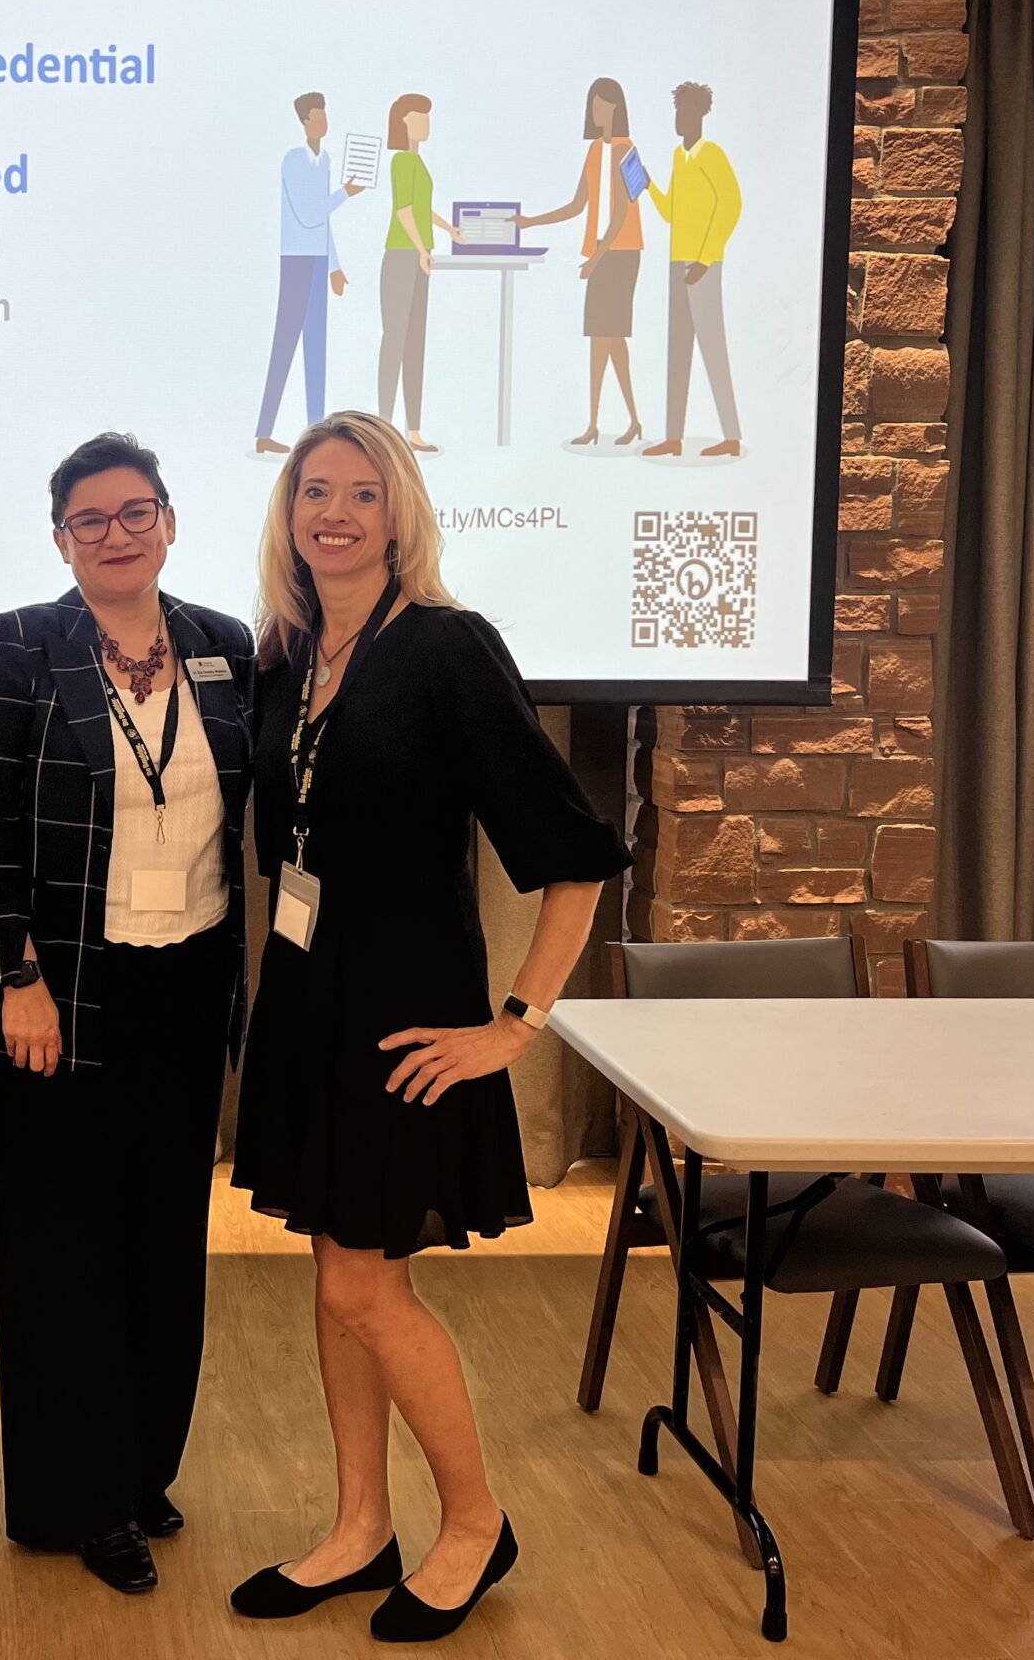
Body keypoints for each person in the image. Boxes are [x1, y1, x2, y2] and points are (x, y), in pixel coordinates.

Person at [228, 410, 631, 1642]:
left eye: (359, 491)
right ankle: (361, 1527)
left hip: (409, 1026)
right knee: (339, 1271)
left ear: (398, 512)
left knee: (366, 1286)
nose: (333, 512)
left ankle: (473, 1523)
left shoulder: (449, 649)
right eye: (312, 492)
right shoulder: (285, 659)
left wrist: (515, 1023)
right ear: (288, 516)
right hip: (307, 1006)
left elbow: (573, 856)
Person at [0, 432, 255, 1595]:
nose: (117, 535)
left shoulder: (227, 649)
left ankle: (138, 1470)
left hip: (184, 985)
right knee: (62, 1247)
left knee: (161, 1238)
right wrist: (14, 977)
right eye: (92, 520)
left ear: (170, 522)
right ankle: (72, 1500)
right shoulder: (24, 645)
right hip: (58, 992)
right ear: (61, 541)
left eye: (137, 512)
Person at [515, 77, 646, 445]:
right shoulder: (594, 152)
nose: (596, 110)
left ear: (616, 107)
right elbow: (578, 205)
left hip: (621, 254)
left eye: (602, 103)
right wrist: (531, 222)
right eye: (593, 104)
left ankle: (626, 420)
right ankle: (599, 423)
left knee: (611, 336)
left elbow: (621, 213)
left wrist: (596, 260)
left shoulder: (625, 149)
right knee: (603, 339)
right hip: (601, 254)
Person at [641, 80, 745, 458]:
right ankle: (673, 437)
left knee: (713, 347)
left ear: (701, 114)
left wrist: (705, 257)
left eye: (686, 112)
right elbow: (671, 212)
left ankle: (731, 436)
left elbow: (731, 204)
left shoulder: (711, 155)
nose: (679, 119)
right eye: (677, 111)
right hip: (677, 262)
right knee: (678, 349)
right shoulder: (677, 158)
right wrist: (647, 185)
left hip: (703, 264)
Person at [255, 92, 363, 455]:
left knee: (317, 348)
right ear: (305, 121)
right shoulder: (294, 161)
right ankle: (264, 431)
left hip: (318, 259)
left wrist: (334, 266)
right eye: (317, 116)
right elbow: (309, 212)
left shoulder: (325, 159)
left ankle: (318, 437)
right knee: (285, 343)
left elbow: (324, 222)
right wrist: (345, 193)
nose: (323, 122)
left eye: (325, 115)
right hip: (297, 259)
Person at [376, 94, 463, 454]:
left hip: (417, 257)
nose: (427, 123)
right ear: (404, 121)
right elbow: (406, 211)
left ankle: (413, 431)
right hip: (401, 257)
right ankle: (382, 427)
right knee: (395, 341)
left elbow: (424, 209)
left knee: (415, 345)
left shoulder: (418, 162)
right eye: (420, 117)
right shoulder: (400, 161)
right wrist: (422, 250)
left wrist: (449, 230)